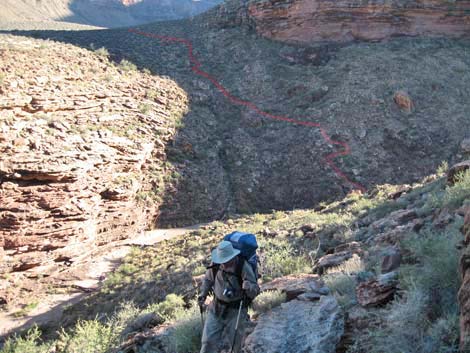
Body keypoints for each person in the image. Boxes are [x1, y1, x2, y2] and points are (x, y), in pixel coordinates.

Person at [198, 240, 260, 353]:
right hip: (216, 308)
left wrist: (249, 286)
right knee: (207, 342)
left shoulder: (243, 266)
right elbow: (208, 279)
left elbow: (255, 291)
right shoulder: (216, 264)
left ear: (232, 257)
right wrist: (203, 294)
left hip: (236, 311)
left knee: (234, 345)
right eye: (222, 260)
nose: (223, 264)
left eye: (225, 260)